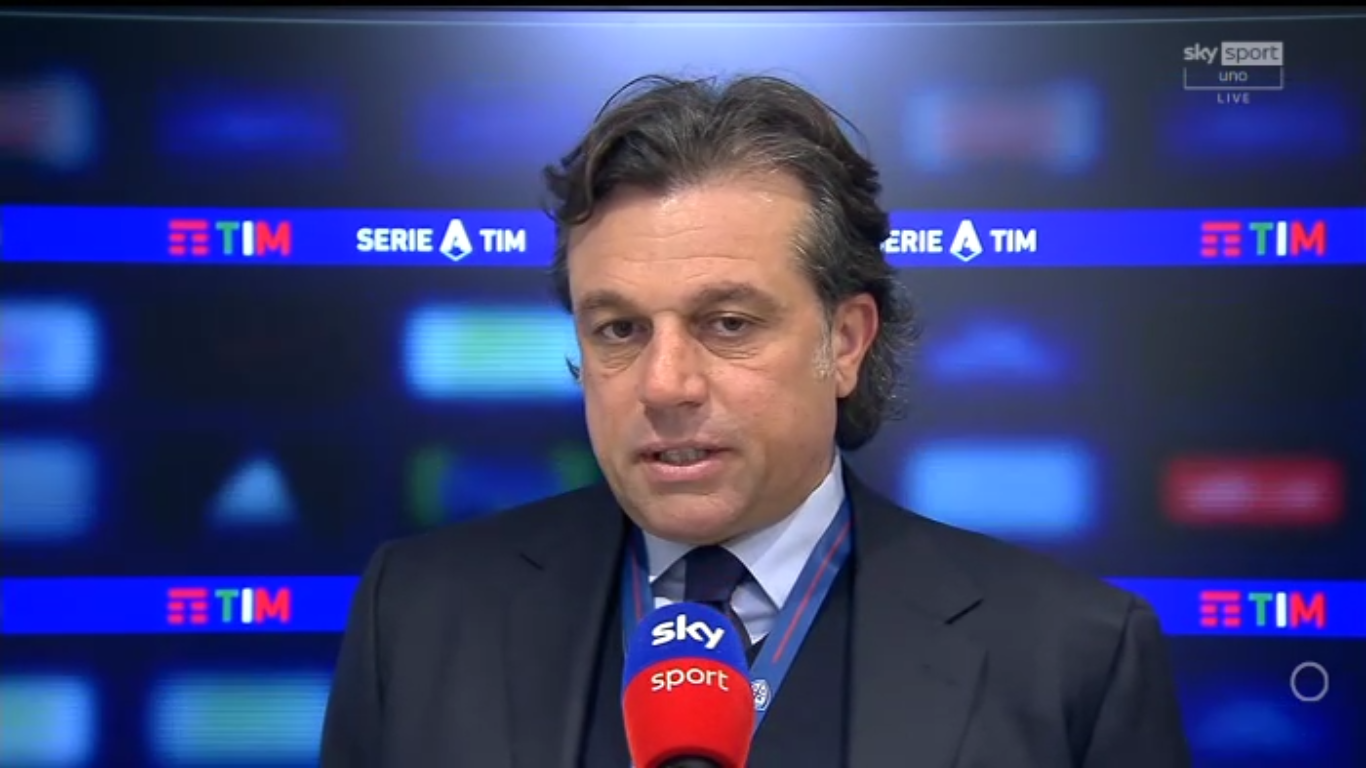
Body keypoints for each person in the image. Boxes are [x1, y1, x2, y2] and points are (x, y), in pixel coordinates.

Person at [321, 74, 1191, 768]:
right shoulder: (418, 616)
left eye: (728, 323)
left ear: (844, 342)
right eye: (619, 329)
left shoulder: (1073, 654)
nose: (665, 384)